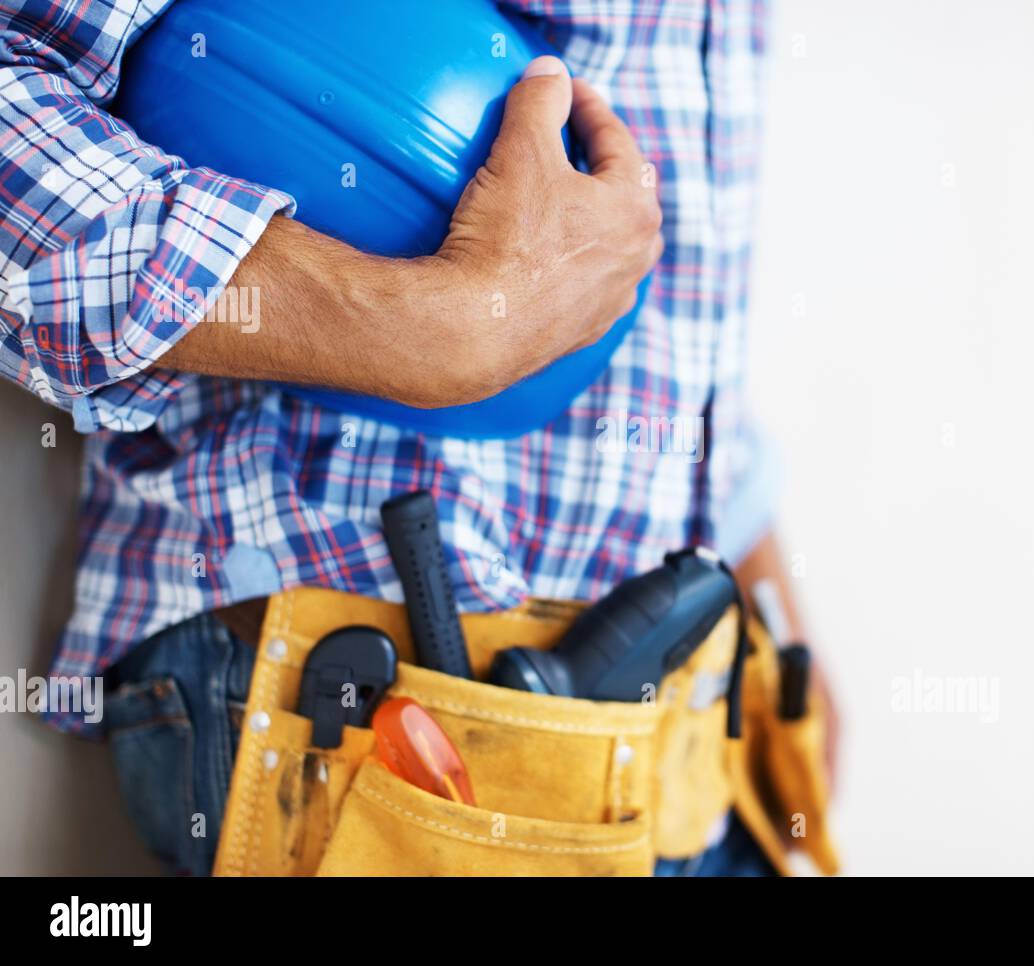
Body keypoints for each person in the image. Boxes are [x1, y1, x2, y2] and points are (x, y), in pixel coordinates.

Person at [0, 0, 834, 875]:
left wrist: (752, 579)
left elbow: (670, 274)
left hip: (686, 735)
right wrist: (417, 324)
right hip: (363, 710)